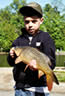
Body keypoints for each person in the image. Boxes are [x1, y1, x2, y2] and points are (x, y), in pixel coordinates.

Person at [7, 2, 56, 96]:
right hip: (21, 89)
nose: (30, 25)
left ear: (41, 20)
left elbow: (52, 62)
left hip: (40, 88)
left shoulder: (46, 38)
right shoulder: (18, 41)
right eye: (27, 21)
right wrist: (11, 56)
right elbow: (11, 62)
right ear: (24, 21)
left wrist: (39, 68)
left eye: (34, 21)